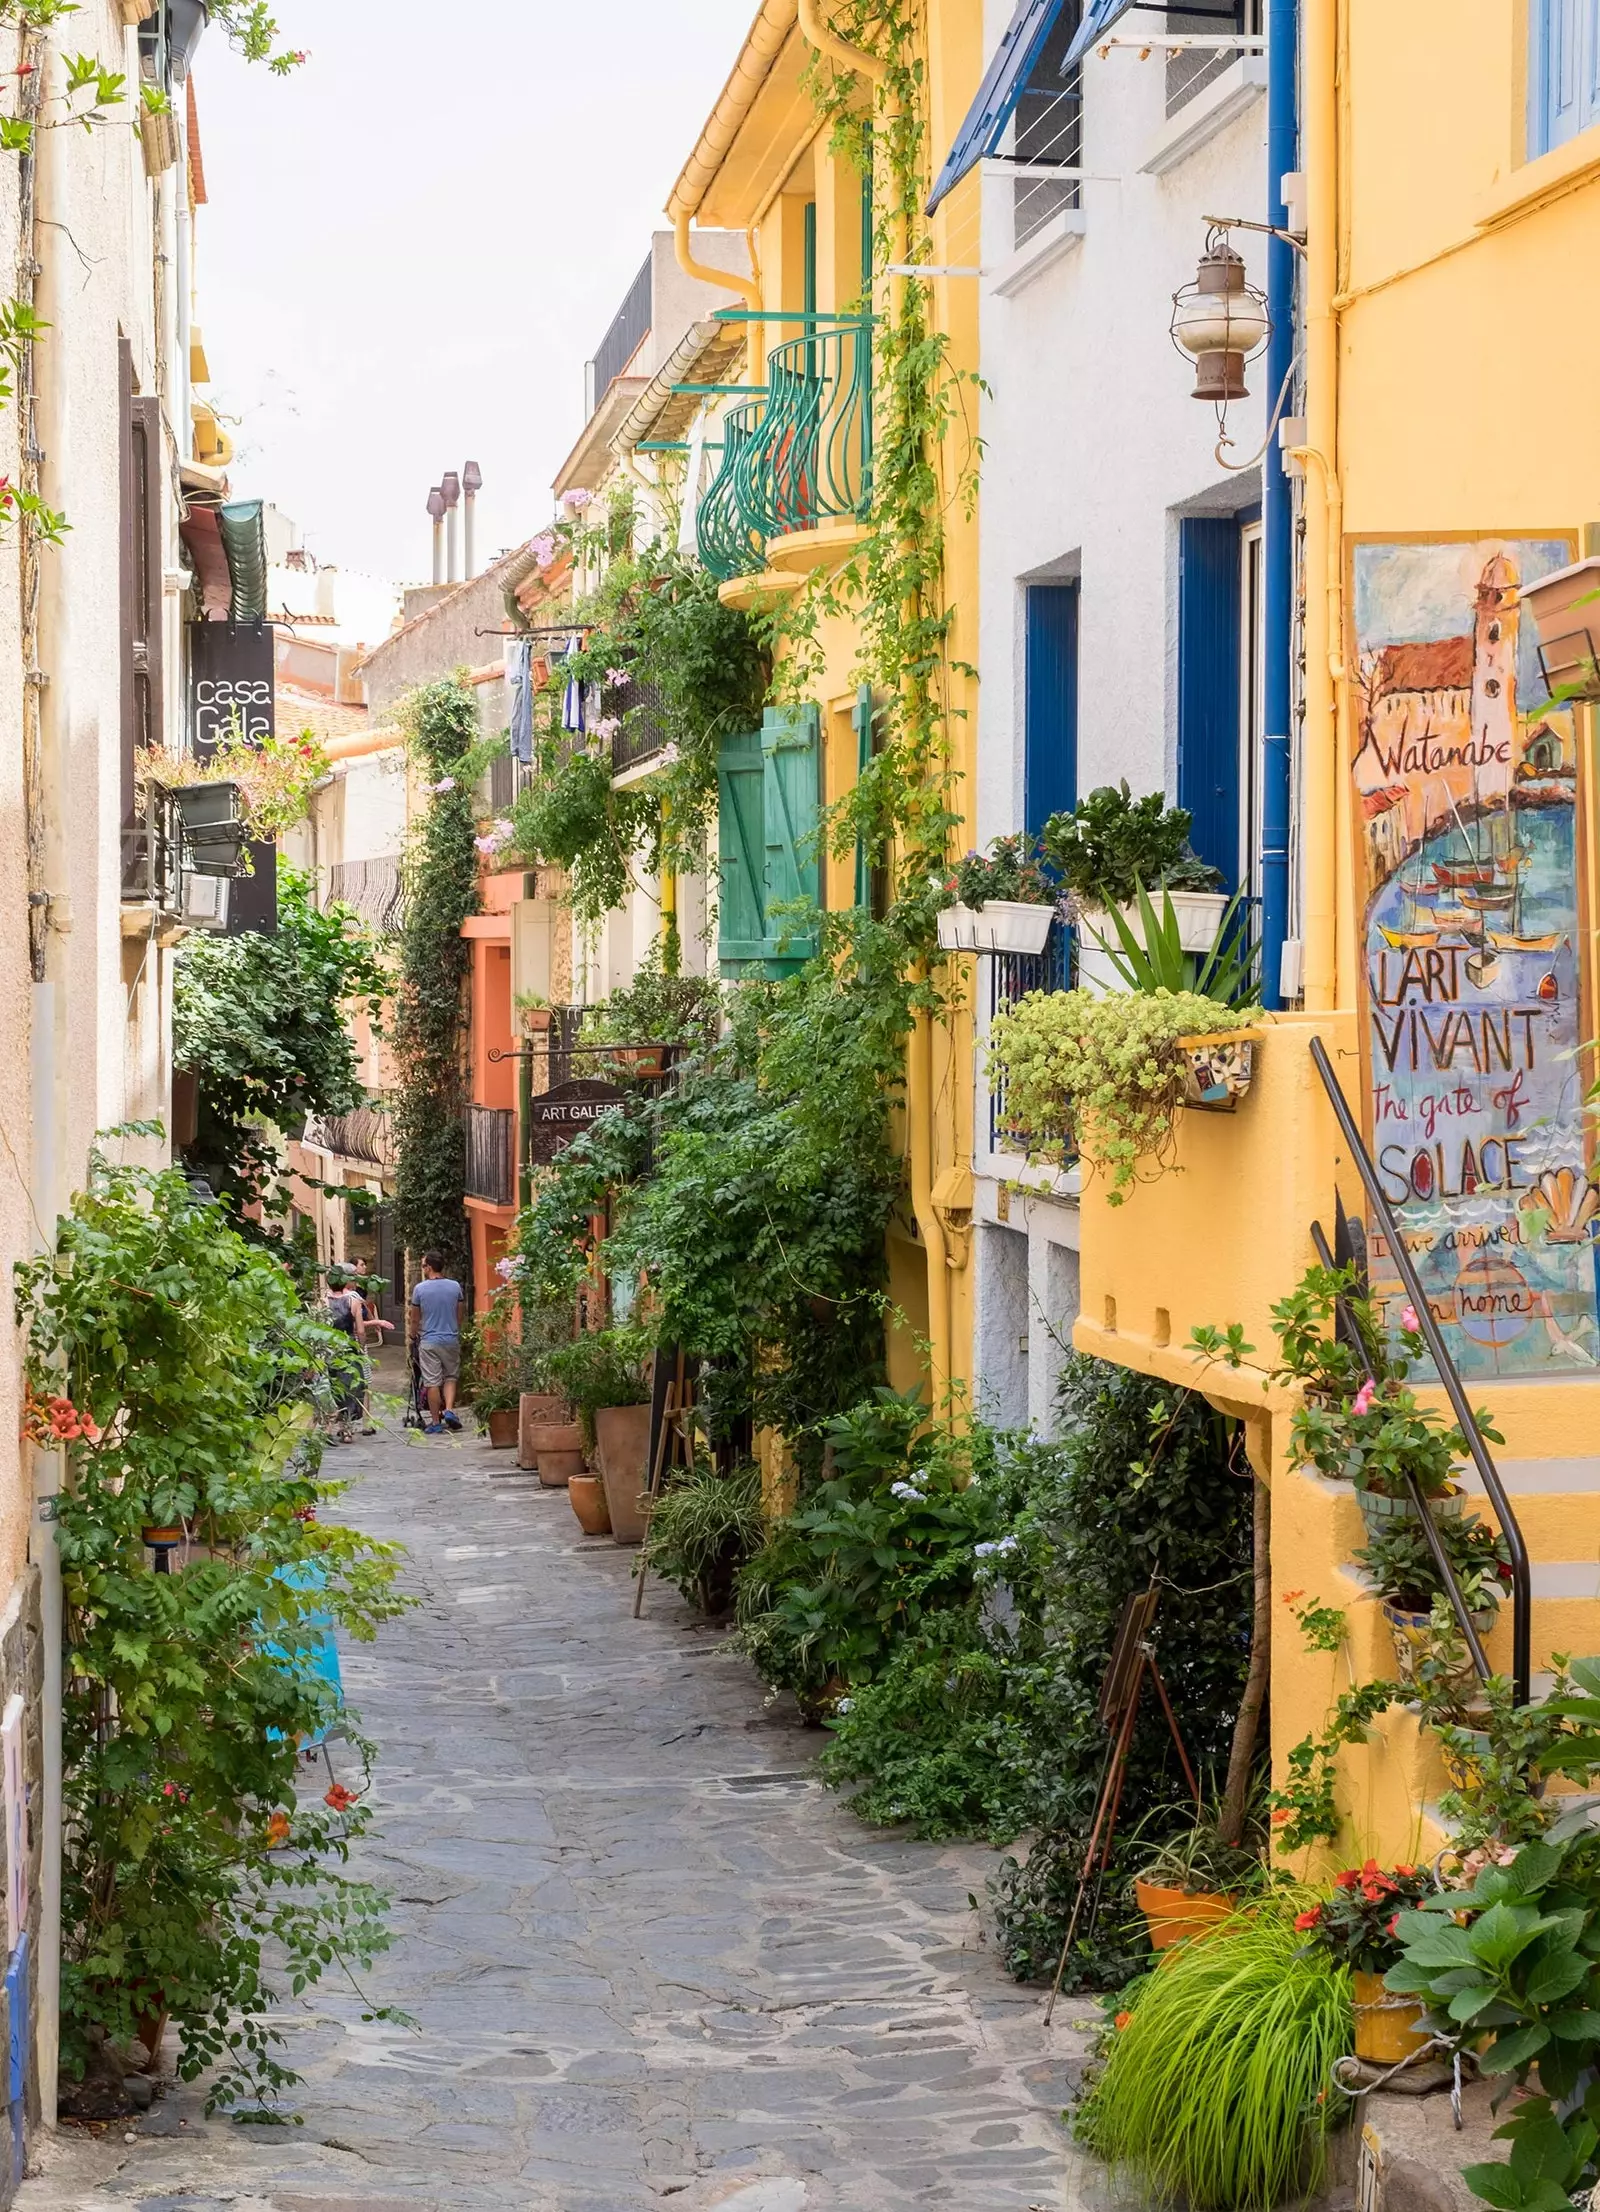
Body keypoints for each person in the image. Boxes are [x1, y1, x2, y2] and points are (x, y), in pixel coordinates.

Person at [408, 1252, 465, 1435]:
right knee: (450, 1377)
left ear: (429, 1267)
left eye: (424, 1265)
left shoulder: (420, 1289)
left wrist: (412, 1334)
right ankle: (448, 1409)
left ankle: (435, 1421)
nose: (423, 1269)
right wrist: (454, 1330)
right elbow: (459, 1313)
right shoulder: (455, 1287)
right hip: (450, 1338)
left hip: (429, 1341)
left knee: (432, 1381)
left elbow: (415, 1318)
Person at [323, 1270, 366, 1445]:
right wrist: (361, 1347)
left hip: (330, 1347)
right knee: (350, 1387)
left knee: (333, 1386)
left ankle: (331, 1427)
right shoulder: (353, 1301)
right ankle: (346, 1428)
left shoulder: (323, 1302)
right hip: (348, 1346)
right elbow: (361, 1331)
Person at [351, 1275, 394, 1433]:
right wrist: (377, 1322)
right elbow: (356, 1325)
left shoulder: (358, 1295)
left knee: (365, 1382)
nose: (360, 1272)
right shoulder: (346, 1298)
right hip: (352, 1342)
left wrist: (371, 1317)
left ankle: (366, 1422)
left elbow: (365, 1311)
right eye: (359, 1267)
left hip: (357, 1344)